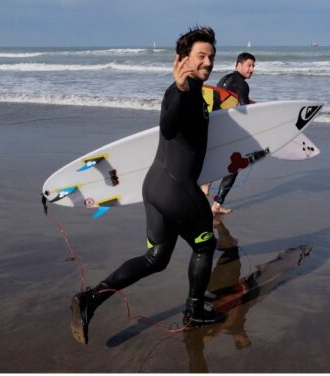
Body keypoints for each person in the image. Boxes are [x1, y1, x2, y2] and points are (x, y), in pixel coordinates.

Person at [69, 26, 226, 345]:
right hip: (176, 188)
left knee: (156, 258)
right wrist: (182, 89)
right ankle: (194, 311)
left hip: (155, 188)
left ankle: (91, 299)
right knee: (205, 243)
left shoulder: (191, 90)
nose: (208, 61)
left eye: (211, 56)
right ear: (183, 59)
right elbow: (168, 127)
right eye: (201, 56)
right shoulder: (183, 91)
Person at [200, 52, 256, 214]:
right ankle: (217, 205)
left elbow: (222, 102)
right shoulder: (242, 84)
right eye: (249, 65)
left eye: (253, 66)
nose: (251, 69)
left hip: (216, 128)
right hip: (230, 131)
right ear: (239, 65)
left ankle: (206, 184)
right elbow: (246, 110)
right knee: (235, 166)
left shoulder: (225, 79)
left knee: (219, 160)